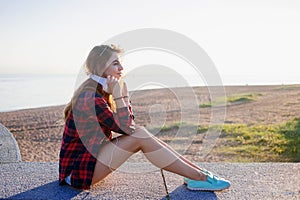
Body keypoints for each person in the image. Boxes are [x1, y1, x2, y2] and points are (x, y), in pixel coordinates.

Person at [59, 44, 231, 191]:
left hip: (90, 160)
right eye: (115, 63)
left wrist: (122, 98)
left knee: (141, 133)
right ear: (101, 68)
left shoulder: (97, 90)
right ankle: (199, 177)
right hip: (77, 173)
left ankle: (198, 175)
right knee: (140, 135)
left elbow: (128, 127)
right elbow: (127, 129)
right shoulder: (91, 97)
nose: (121, 69)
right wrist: (120, 97)